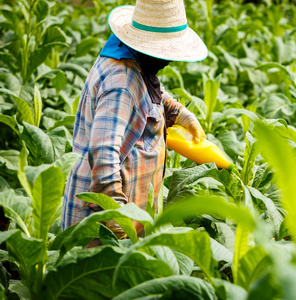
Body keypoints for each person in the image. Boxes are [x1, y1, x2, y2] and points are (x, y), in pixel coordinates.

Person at [62, 0, 208, 240]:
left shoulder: (129, 57)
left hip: (127, 215)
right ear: (147, 47)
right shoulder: (121, 83)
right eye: (165, 52)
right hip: (101, 227)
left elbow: (146, 93)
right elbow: (103, 153)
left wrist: (177, 112)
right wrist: (116, 217)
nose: (169, 61)